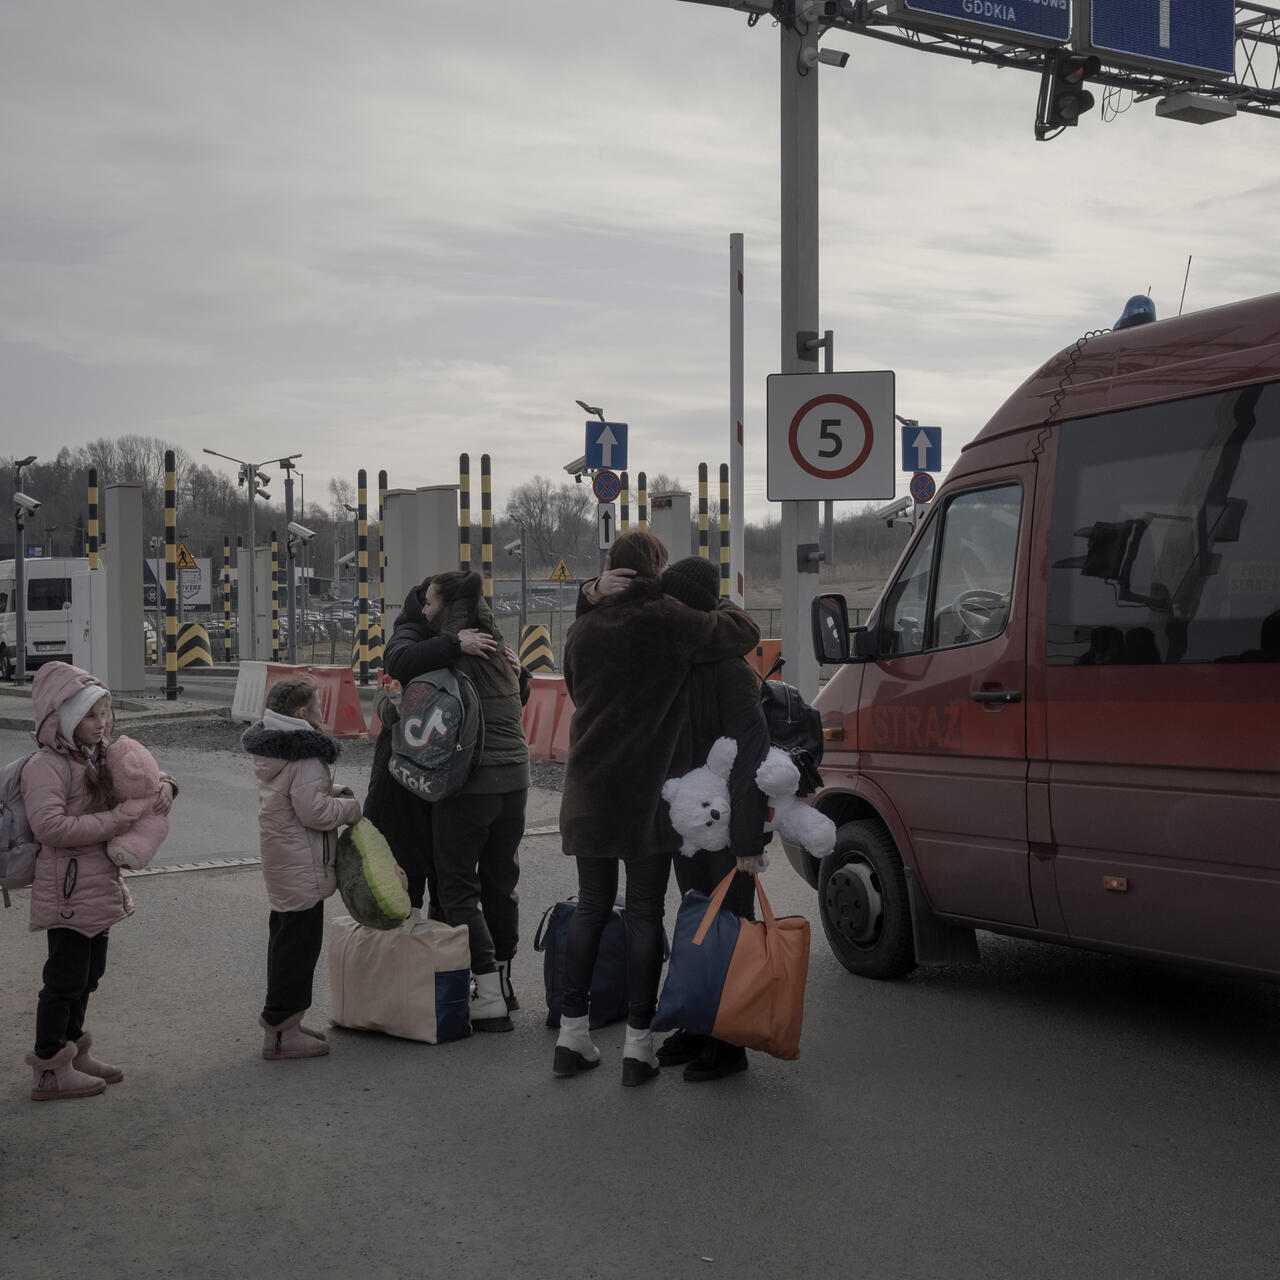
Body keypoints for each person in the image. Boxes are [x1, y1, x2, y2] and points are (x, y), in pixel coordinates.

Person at [554, 531, 760, 1086]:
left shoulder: (581, 629)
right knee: (645, 914)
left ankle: (572, 1037)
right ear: (656, 568)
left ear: (610, 570)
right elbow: (744, 632)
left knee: (593, 907)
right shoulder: (668, 618)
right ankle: (637, 1048)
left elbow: (576, 690)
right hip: (645, 795)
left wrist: (589, 593)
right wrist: (718, 600)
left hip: (588, 791)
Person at [22, 661, 177, 1102]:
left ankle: (73, 1052)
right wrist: (113, 821)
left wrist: (167, 784)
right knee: (64, 980)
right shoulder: (46, 766)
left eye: (106, 713)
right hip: (68, 891)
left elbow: (140, 773)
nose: (102, 723)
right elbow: (50, 827)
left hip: (98, 888)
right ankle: (50, 1068)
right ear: (65, 719)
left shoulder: (97, 755)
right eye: (91, 715)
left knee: (89, 976)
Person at [656, 556, 770, 1083]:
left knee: (730, 931)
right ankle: (701, 1026)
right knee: (698, 920)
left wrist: (746, 840)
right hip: (691, 826)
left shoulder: (728, 668)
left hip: (727, 827)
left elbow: (753, 753)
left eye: (672, 601)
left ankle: (731, 1042)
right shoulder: (683, 659)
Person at [421, 570, 531, 1032]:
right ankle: (504, 984)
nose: (424, 609)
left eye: (429, 602)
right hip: (516, 782)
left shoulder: (451, 656)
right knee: (500, 883)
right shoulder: (502, 651)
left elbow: (420, 716)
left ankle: (485, 993)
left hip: (471, 786)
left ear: (448, 607)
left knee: (457, 889)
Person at [241, 674, 363, 1060]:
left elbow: (296, 799)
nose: (322, 712)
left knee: (285, 942)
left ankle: (285, 1023)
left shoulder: (276, 752)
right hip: (303, 864)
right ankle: (281, 1033)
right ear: (301, 712)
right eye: (317, 706)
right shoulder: (305, 754)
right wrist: (351, 808)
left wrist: (332, 792)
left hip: (284, 860)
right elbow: (315, 812)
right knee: (298, 949)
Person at [363, 576, 501, 917]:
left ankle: (442, 966)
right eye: (426, 603)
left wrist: (517, 674)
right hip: (403, 782)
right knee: (402, 892)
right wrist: (453, 644)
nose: (426, 610)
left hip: (443, 784)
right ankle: (406, 965)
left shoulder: (472, 636)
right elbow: (398, 661)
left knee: (448, 892)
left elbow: (503, 699)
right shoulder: (412, 628)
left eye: (431, 605)